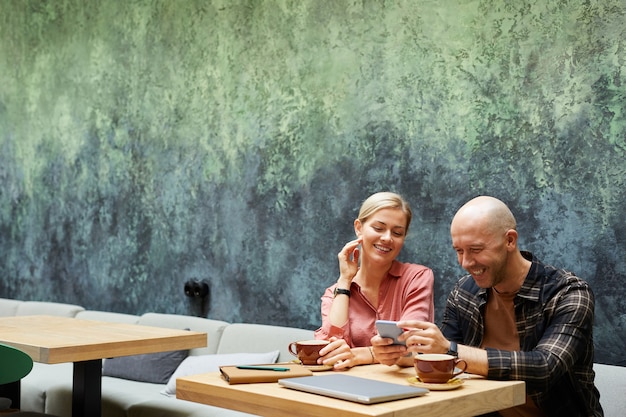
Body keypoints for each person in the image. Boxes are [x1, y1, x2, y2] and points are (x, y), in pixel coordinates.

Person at [372, 196, 603, 417]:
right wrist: (400, 354)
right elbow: (445, 362)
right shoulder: (464, 292)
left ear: (510, 240)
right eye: (459, 251)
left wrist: (448, 350)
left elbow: (544, 368)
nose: (465, 263)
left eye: (475, 250)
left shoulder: (569, 293)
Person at [314, 191, 434, 370]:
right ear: (359, 228)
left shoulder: (417, 278)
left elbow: (414, 348)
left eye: (397, 232)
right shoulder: (334, 293)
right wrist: (345, 281)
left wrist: (363, 354)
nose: (387, 238)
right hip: (345, 388)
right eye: (378, 228)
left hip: (404, 390)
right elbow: (330, 352)